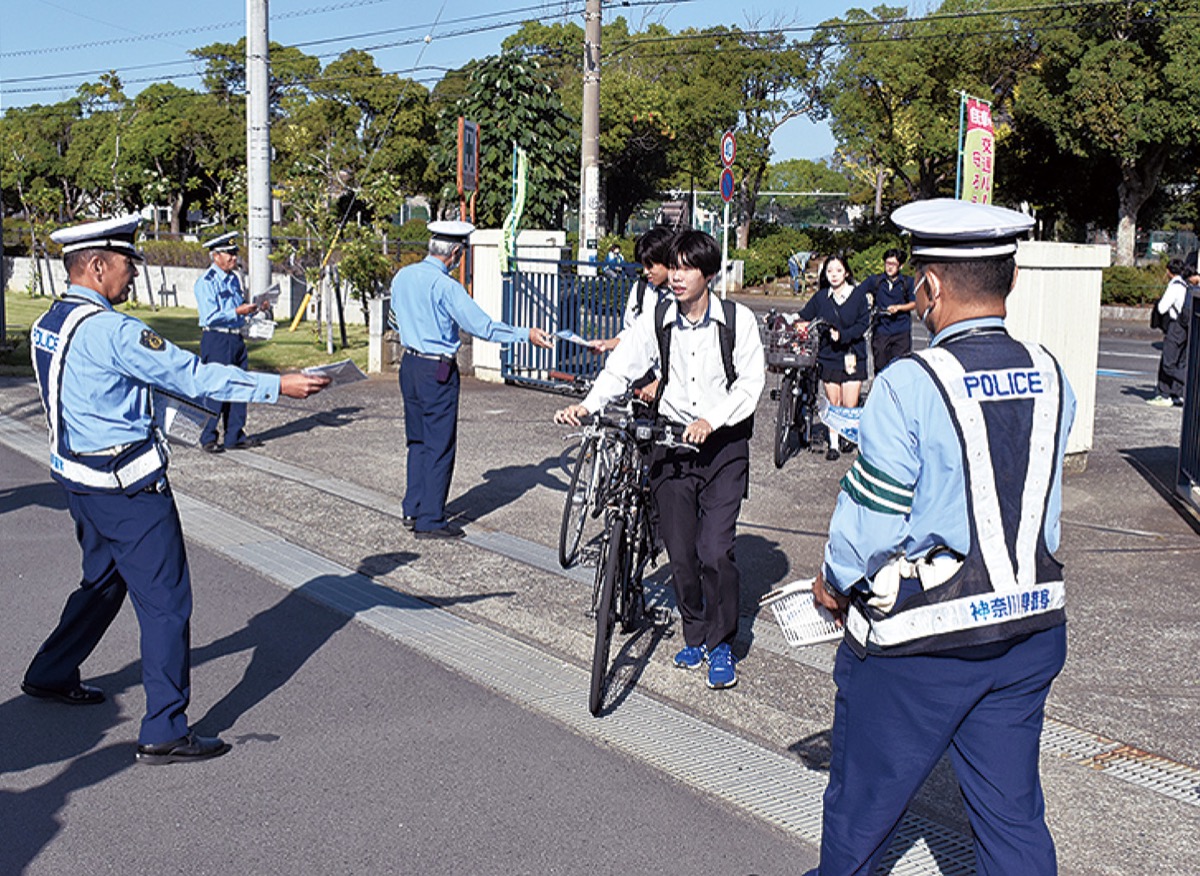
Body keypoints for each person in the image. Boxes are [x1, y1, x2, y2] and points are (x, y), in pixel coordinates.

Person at [806, 199, 1076, 876]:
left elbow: (870, 524)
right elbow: (1042, 513)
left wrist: (834, 584)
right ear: (1009, 282)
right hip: (1030, 631)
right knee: (1011, 817)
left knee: (861, 817)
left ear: (927, 287)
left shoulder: (910, 383)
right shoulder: (1051, 372)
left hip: (921, 645)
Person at [24, 214, 330, 765]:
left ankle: (50, 671)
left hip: (77, 477)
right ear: (96, 266)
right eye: (125, 265)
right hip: (128, 486)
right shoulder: (114, 329)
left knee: (102, 582)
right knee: (166, 604)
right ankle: (164, 726)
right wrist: (277, 385)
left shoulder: (51, 320)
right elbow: (194, 375)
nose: (132, 278)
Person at [555, 230, 764, 690]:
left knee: (715, 551)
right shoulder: (658, 317)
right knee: (682, 553)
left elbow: (750, 385)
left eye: (689, 267)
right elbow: (622, 366)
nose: (678, 275)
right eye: (675, 265)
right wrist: (588, 406)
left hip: (722, 447)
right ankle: (695, 633)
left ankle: (723, 641)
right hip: (670, 445)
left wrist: (712, 419)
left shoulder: (737, 320)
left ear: (709, 274)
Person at [390, 220, 552, 539]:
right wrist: (526, 334)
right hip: (437, 368)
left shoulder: (403, 275)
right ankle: (431, 520)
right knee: (439, 443)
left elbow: (393, 318)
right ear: (454, 252)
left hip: (409, 364)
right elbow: (482, 327)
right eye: (461, 253)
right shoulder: (447, 286)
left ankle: (413, 506)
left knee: (418, 440)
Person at [193, 231, 270, 452]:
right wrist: (237, 310)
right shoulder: (207, 282)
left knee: (240, 386)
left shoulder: (233, 279)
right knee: (215, 388)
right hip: (216, 337)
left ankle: (234, 435)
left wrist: (254, 309)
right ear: (216, 256)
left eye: (235, 254)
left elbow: (239, 313)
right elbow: (209, 315)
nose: (234, 258)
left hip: (235, 338)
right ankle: (208, 436)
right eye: (229, 254)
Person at [797, 254, 870, 460]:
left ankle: (851, 437)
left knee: (849, 404)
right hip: (828, 355)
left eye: (838, 270)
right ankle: (834, 445)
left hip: (852, 355)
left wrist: (843, 335)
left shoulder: (857, 296)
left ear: (846, 272)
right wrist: (788, 320)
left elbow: (863, 323)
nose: (834, 275)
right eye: (829, 271)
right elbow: (804, 315)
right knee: (833, 402)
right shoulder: (821, 297)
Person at [591, 226, 676, 355]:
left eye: (650, 266)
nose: (645, 272)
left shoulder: (685, 295)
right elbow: (631, 333)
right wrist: (607, 344)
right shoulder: (640, 289)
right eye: (643, 265)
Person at [860, 247, 916, 372]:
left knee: (900, 368)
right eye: (887, 263)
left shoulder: (907, 282)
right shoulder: (876, 281)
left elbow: (914, 303)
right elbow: (857, 293)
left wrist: (899, 308)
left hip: (901, 330)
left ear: (900, 266)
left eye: (893, 264)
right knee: (880, 367)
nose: (889, 267)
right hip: (881, 330)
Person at [1148, 256, 1190, 406]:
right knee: (1181, 361)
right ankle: (1177, 393)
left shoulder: (1174, 286)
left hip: (1176, 327)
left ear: (1168, 271)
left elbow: (1162, 307)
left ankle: (1170, 392)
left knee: (1168, 363)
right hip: (1187, 328)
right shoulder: (1186, 284)